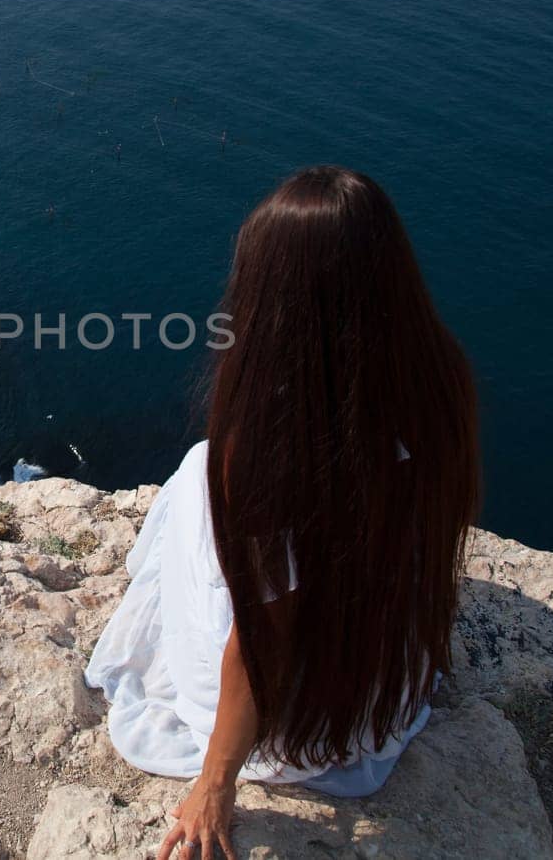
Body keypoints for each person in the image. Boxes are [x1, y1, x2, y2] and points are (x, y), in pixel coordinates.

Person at [84, 165, 481, 860]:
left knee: (193, 475)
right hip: (370, 688)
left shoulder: (264, 452)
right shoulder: (440, 380)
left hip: (283, 723)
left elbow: (261, 637)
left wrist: (214, 783)